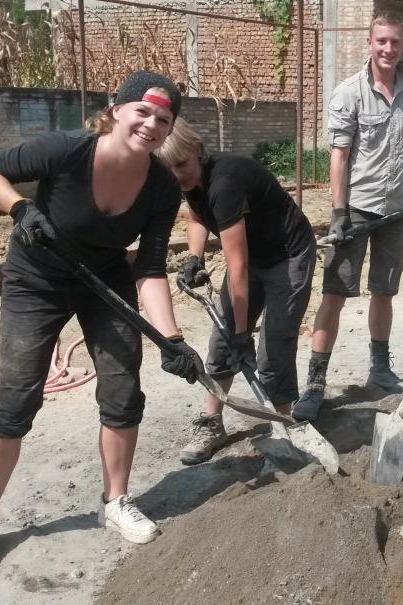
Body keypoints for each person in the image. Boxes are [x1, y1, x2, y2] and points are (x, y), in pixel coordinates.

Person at [0, 71, 201, 583]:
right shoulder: (66, 151)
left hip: (102, 281)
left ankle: (115, 501)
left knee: (122, 387)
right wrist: (20, 207)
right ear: (117, 110)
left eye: (163, 118)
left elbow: (151, 268)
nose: (151, 124)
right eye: (142, 111)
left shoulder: (160, 188)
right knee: (18, 396)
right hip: (36, 278)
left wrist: (172, 339)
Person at [292, 10, 403, 422]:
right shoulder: (348, 93)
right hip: (357, 210)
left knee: (385, 290)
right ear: (370, 42)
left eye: (395, 42)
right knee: (335, 293)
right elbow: (339, 158)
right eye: (381, 41)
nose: (388, 49)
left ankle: (380, 368)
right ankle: (315, 381)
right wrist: (339, 212)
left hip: (396, 210)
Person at [154, 120, 316, 465]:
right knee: (222, 341)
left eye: (181, 164)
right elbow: (197, 218)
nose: (177, 174)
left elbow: (237, 267)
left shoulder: (225, 183)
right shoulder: (191, 181)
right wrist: (194, 257)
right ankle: (212, 422)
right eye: (168, 169)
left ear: (197, 152)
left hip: (288, 255)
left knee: (274, 344)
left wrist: (242, 333)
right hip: (252, 254)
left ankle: (282, 425)